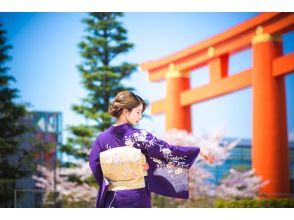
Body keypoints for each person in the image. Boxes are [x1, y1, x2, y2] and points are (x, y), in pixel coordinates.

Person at [89, 91, 215, 208]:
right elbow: (166, 151)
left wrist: (114, 177)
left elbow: (95, 166)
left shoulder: (101, 139)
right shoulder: (139, 136)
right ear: (125, 112)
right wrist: (198, 151)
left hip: (112, 198)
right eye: (138, 112)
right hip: (136, 196)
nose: (140, 117)